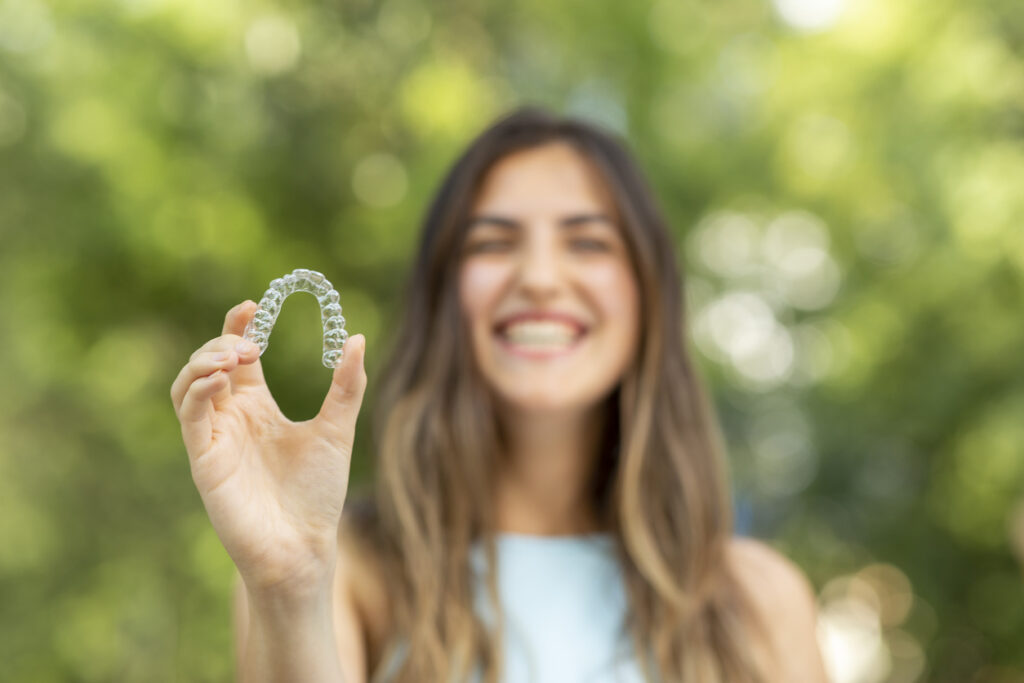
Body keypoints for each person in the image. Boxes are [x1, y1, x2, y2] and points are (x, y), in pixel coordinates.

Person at [170, 106, 828, 682]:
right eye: (494, 241)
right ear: (445, 297)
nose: (540, 277)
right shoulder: (341, 573)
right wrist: (289, 588)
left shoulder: (760, 601)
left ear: (647, 294)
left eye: (588, 241)